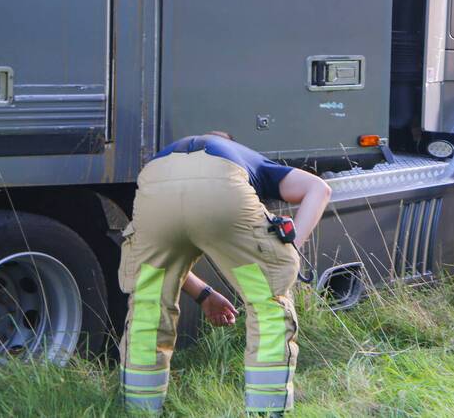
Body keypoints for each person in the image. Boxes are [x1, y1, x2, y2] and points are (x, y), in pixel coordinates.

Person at [118, 131, 331, 415]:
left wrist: (204, 295)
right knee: (267, 306)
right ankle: (266, 409)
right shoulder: (247, 158)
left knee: (149, 305)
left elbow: (166, 260)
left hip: (155, 192)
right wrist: (288, 250)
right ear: (231, 143)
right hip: (222, 191)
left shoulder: (168, 155)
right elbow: (319, 189)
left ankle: (139, 409)